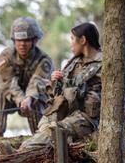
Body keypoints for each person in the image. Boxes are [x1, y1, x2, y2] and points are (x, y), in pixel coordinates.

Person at [19, 22, 102, 150]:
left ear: (83, 40)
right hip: (68, 112)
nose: (71, 44)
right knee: (45, 127)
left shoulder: (103, 63)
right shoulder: (74, 62)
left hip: (88, 119)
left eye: (72, 39)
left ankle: (22, 153)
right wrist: (54, 81)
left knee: (54, 132)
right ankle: (23, 150)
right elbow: (59, 91)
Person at [0, 16, 53, 137]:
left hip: (32, 100)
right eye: (18, 40)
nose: (22, 44)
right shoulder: (5, 56)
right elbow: (7, 83)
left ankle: (39, 137)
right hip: (11, 97)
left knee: (38, 97)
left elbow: (37, 82)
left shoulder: (44, 60)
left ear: (34, 41)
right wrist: (21, 99)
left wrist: (29, 98)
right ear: (14, 41)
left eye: (27, 40)